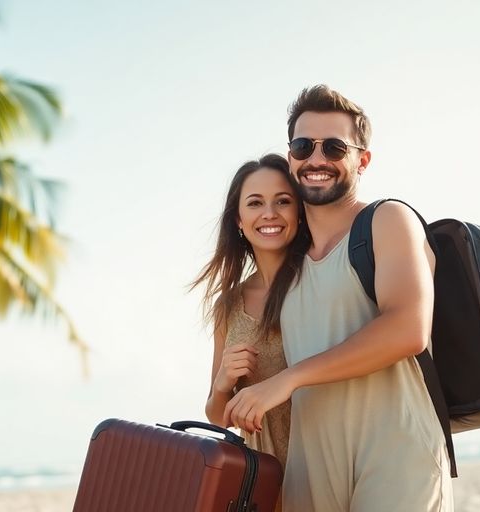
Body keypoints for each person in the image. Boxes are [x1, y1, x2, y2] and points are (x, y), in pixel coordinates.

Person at [222, 86, 454, 511]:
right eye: (303, 147)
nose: (316, 159)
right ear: (291, 158)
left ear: (362, 160)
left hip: (396, 460)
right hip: (309, 477)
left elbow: (407, 329)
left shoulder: (387, 219)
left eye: (334, 147)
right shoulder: (289, 266)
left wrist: (288, 379)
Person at [193, 154, 311, 503]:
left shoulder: (321, 284)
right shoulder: (228, 304)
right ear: (239, 220)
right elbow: (218, 417)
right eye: (255, 203)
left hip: (325, 470)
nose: (269, 213)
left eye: (283, 201)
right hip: (264, 483)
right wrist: (222, 384)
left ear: (299, 212)